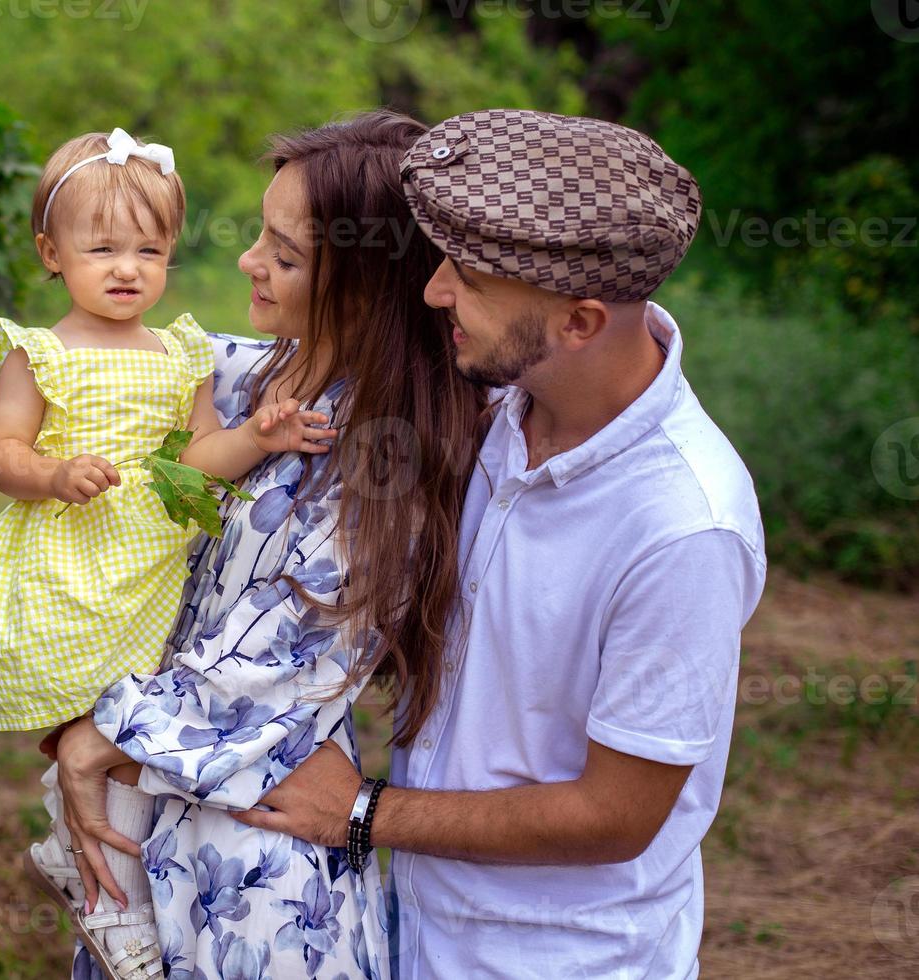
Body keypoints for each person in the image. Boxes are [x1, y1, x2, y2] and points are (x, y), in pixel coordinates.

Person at [233, 109, 769, 979]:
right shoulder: (491, 414)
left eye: (471, 278)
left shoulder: (682, 526)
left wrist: (362, 813)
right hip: (413, 924)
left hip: (554, 959)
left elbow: (616, 816)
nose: (436, 289)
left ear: (581, 322)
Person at [52, 110, 485, 979]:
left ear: (369, 286)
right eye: (261, 233)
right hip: (146, 825)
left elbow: (293, 654)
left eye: (285, 257)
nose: (250, 262)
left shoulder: (388, 450)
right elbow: (95, 370)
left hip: (256, 859)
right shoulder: (229, 375)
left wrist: (104, 737)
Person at [0, 126, 334, 979]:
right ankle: (105, 899)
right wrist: (51, 473)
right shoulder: (40, 352)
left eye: (149, 250)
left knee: (123, 729)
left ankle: (88, 867)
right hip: (67, 560)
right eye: (102, 249)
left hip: (147, 568)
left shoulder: (182, 352)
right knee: (76, 712)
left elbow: (195, 464)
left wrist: (258, 434)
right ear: (51, 253)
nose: (128, 268)